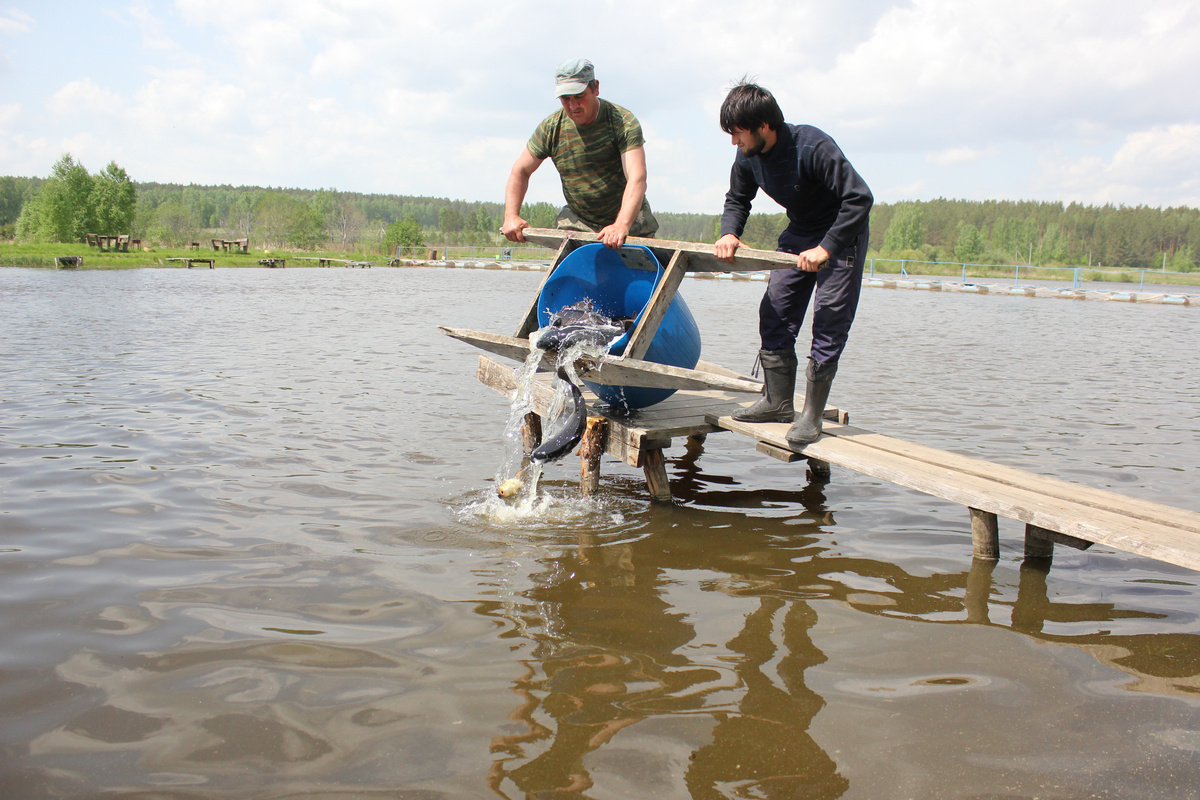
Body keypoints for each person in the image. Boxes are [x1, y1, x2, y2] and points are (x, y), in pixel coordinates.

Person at [714, 81, 873, 447]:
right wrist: (729, 233)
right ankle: (777, 400)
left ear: (763, 126)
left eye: (737, 133)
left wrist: (827, 248)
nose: (734, 142)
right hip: (800, 230)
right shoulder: (748, 157)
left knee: (830, 315)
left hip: (840, 231)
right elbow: (738, 198)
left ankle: (812, 415)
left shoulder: (812, 146)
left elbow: (860, 198)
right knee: (776, 308)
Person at [501, 58, 658, 249]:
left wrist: (620, 225)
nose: (573, 106)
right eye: (566, 99)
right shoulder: (552, 127)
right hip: (579, 221)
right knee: (570, 273)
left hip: (629, 222)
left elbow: (637, 177)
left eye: (579, 96)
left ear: (596, 88)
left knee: (639, 271)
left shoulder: (622, 122)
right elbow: (520, 171)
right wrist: (511, 216)